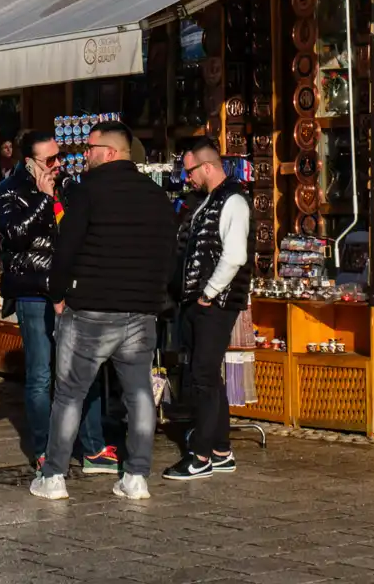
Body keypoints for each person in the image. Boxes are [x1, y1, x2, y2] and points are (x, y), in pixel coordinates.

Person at [30, 121, 177, 503]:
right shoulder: (157, 196)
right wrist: (155, 297)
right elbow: (168, 252)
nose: (84, 155)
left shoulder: (87, 191)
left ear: (109, 152)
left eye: (90, 148)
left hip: (90, 309)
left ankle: (54, 476)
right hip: (140, 310)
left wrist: (58, 294)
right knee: (140, 394)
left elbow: (67, 248)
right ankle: (137, 475)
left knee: (69, 394)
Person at [0, 131, 114, 474]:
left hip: (72, 288)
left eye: (59, 157)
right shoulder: (7, 192)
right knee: (42, 375)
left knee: (81, 370)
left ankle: (92, 448)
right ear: (29, 163)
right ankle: (45, 448)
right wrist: (44, 201)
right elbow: (15, 235)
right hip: (34, 290)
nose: (58, 165)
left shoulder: (69, 187)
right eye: (49, 160)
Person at [164, 138, 250, 481]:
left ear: (208, 167)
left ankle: (200, 455)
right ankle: (220, 448)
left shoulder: (234, 201)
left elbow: (234, 256)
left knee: (202, 376)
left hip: (217, 303)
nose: (187, 178)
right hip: (202, 301)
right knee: (208, 377)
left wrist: (208, 293)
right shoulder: (206, 201)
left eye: (190, 171)